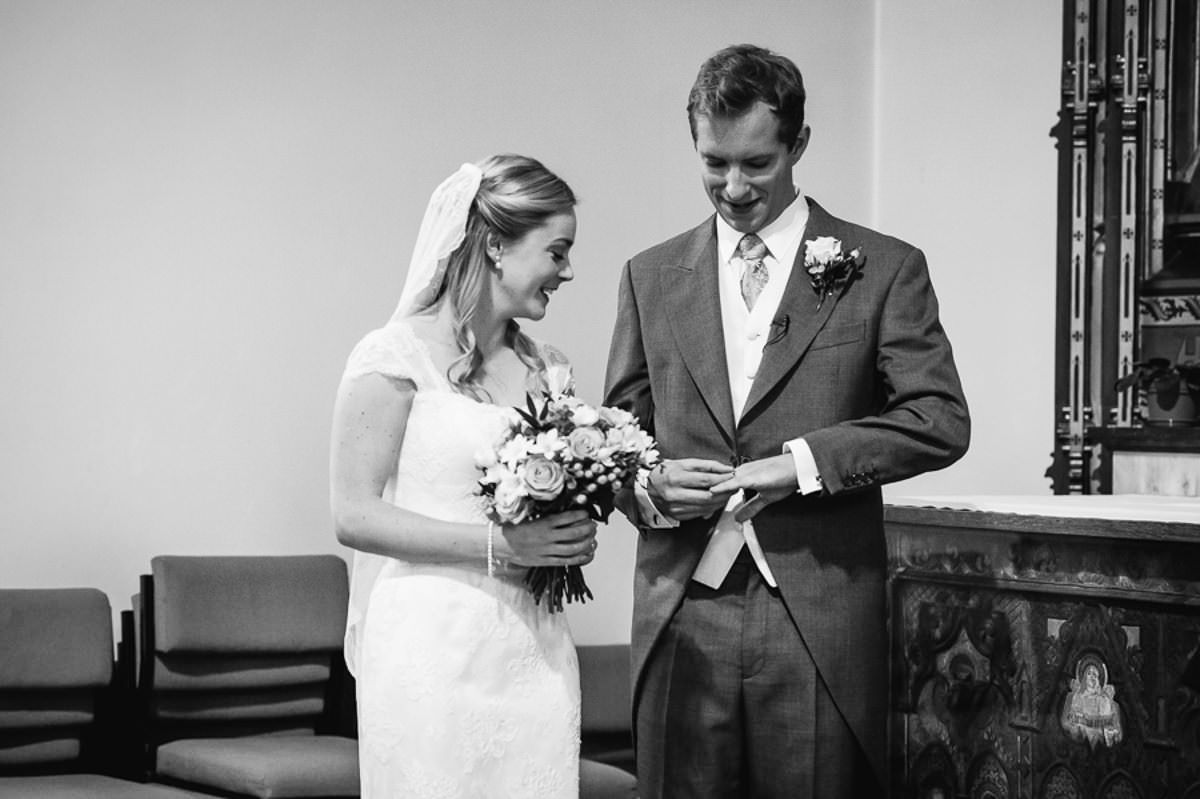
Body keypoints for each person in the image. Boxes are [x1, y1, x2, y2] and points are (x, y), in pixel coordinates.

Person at [604, 44, 970, 797]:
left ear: (798, 145)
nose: (732, 187)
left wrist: (804, 461)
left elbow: (939, 417)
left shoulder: (884, 267)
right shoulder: (649, 275)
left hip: (816, 611)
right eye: (714, 163)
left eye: (756, 164)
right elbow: (620, 434)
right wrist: (645, 485)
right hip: (681, 609)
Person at [330, 154, 599, 797]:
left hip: (534, 644)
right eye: (557, 251)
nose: (568, 270)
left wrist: (576, 523)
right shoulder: (393, 356)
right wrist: (500, 547)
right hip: (432, 645)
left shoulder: (548, 369)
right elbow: (353, 514)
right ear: (498, 246)